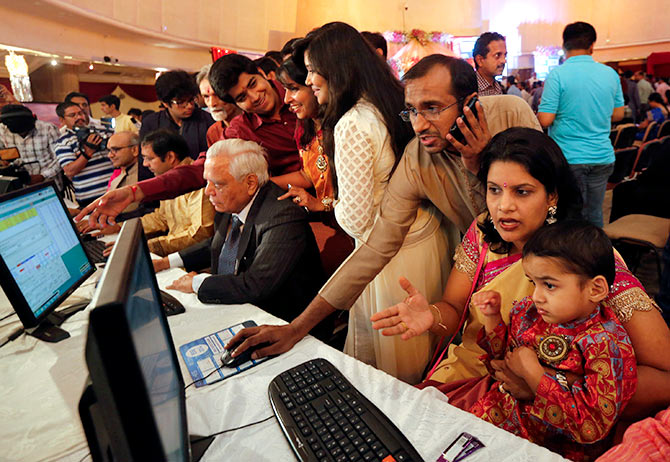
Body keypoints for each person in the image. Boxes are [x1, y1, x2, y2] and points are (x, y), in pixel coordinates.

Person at [222, 53, 543, 373]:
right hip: (481, 261)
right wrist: (297, 327)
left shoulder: (509, 113)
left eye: (432, 108)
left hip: (544, 266)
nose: (419, 125)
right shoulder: (418, 158)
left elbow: (546, 196)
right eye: (412, 111)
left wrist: (479, 161)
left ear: (470, 102)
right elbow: (376, 247)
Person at [369, 128, 670, 421]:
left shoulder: (588, 261)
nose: (504, 207)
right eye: (494, 190)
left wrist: (544, 384)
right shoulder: (484, 233)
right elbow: (455, 310)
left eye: (522, 192)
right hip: (463, 379)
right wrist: (432, 316)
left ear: (552, 196)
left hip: (535, 415)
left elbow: (663, 375)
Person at [470, 221, 637, 460]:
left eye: (549, 285)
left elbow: (591, 425)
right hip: (499, 418)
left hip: (550, 449)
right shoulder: (528, 312)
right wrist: (492, 318)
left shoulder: (606, 344)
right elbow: (501, 362)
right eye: (532, 282)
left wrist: (533, 373)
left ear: (595, 289)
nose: (537, 296)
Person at [152, 139, 325, 323]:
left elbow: (256, 285)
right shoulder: (232, 200)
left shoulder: (283, 217)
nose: (208, 191)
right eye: (207, 182)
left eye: (217, 184)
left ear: (250, 183)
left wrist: (196, 283)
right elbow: (218, 244)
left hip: (281, 320)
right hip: (236, 308)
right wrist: (166, 262)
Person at [538, 21, 625, 228]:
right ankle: (596, 256)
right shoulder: (610, 74)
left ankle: (572, 259)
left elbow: (545, 120)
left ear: (564, 45)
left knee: (570, 216)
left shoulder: (557, 75)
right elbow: (619, 114)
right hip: (601, 156)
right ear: (592, 46)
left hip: (569, 157)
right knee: (595, 214)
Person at [136, 129, 214, 256]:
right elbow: (161, 218)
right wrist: (122, 229)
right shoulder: (167, 179)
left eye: (149, 158)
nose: (145, 164)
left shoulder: (197, 182)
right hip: (174, 255)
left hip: (195, 261)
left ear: (170, 157)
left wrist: (150, 246)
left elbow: (201, 233)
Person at [139, 70, 214, 162]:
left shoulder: (207, 120)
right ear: (165, 103)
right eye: (180, 102)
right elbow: (145, 161)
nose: (189, 106)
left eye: (191, 100)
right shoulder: (151, 123)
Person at [54, 102, 114, 207]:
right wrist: (88, 152)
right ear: (62, 120)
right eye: (72, 115)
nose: (79, 117)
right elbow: (69, 171)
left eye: (80, 113)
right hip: (90, 199)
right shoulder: (62, 142)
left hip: (114, 191)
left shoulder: (103, 131)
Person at [0, 104, 62, 186]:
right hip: (20, 185)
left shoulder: (48, 129)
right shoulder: (2, 131)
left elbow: (60, 158)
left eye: (25, 131)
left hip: (50, 183)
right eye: (20, 133)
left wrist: (43, 176)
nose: (23, 134)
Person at [195, 64, 243, 147]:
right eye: (206, 96)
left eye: (217, 95)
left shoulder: (257, 121)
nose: (212, 103)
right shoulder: (213, 132)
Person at [473, 32, 506, 96]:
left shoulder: (500, 89)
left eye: (505, 55)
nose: (504, 61)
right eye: (497, 55)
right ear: (480, 60)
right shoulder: (468, 90)